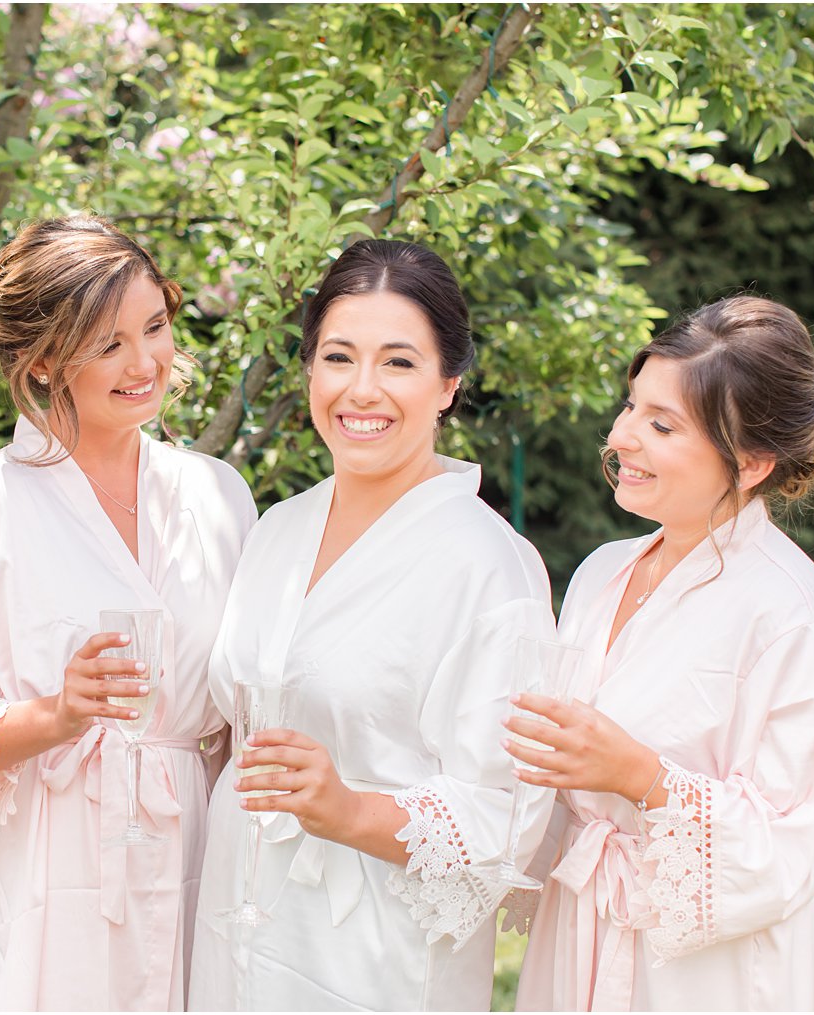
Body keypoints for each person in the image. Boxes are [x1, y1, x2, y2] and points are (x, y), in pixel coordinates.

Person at [0, 216, 258, 1010]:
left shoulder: (217, 495)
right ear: (47, 359)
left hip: (186, 841)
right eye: (109, 343)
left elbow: (248, 691)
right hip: (37, 867)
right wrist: (56, 714)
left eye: (154, 326)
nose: (146, 362)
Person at [187, 240, 558, 1011]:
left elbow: (507, 814)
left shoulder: (490, 566)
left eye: (398, 362)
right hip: (240, 920)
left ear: (449, 383)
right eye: (337, 356)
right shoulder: (278, 529)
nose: (361, 390)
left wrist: (350, 808)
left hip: (375, 957)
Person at [507, 295, 814, 1011]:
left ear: (754, 461)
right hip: (583, 930)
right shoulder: (599, 574)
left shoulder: (790, 617)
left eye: (662, 424)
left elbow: (785, 852)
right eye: (632, 407)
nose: (623, 438)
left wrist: (638, 773)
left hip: (712, 974)